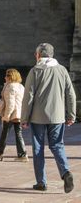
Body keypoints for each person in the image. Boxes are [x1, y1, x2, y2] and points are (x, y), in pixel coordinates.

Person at [21, 43, 76, 193]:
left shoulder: (35, 71)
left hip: (37, 117)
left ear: (38, 55)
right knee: (57, 145)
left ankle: (41, 182)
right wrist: (71, 114)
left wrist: (24, 118)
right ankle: (65, 173)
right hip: (58, 116)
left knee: (38, 148)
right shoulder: (62, 70)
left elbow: (28, 96)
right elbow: (70, 94)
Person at [0, 69, 28, 162]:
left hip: (11, 115)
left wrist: (6, 116)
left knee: (4, 133)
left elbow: (10, 103)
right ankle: (22, 154)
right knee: (18, 134)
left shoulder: (10, 86)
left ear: (11, 77)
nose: (5, 77)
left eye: (7, 75)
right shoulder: (21, 86)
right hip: (19, 114)